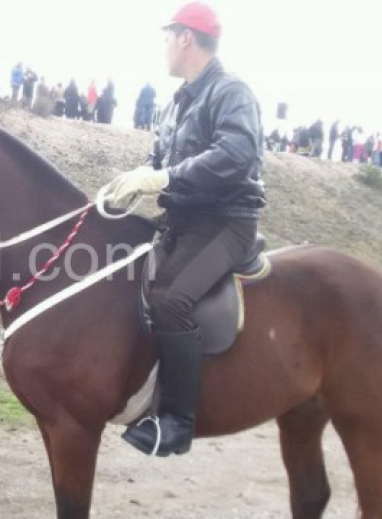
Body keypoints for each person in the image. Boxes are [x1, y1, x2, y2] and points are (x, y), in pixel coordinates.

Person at [107, 2, 265, 457]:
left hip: (225, 221)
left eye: (166, 38)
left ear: (185, 38)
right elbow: (160, 162)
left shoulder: (231, 92)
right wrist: (136, 179)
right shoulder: (176, 103)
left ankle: (178, 421)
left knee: (171, 301)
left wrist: (163, 178)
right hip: (181, 220)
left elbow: (235, 155)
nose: (164, 48)